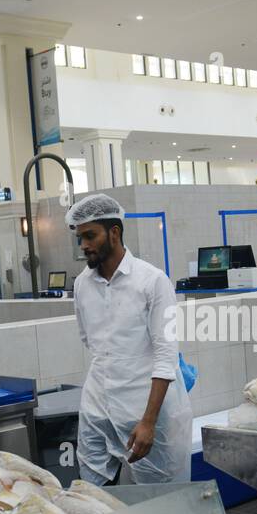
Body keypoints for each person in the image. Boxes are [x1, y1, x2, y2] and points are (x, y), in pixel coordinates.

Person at [67, 193, 192, 485]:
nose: (84, 245)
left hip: (147, 412)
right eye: (79, 238)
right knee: (95, 496)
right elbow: (90, 341)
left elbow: (165, 354)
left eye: (90, 236)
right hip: (98, 408)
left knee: (160, 502)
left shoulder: (153, 281)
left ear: (114, 232)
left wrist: (147, 421)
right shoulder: (82, 284)